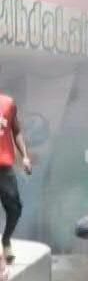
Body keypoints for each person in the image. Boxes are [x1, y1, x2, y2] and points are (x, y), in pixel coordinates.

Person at [0, 89, 30, 262]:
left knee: (15, 209)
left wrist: (25, 156)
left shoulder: (8, 103)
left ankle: (5, 239)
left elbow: (16, 130)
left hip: (4, 167)